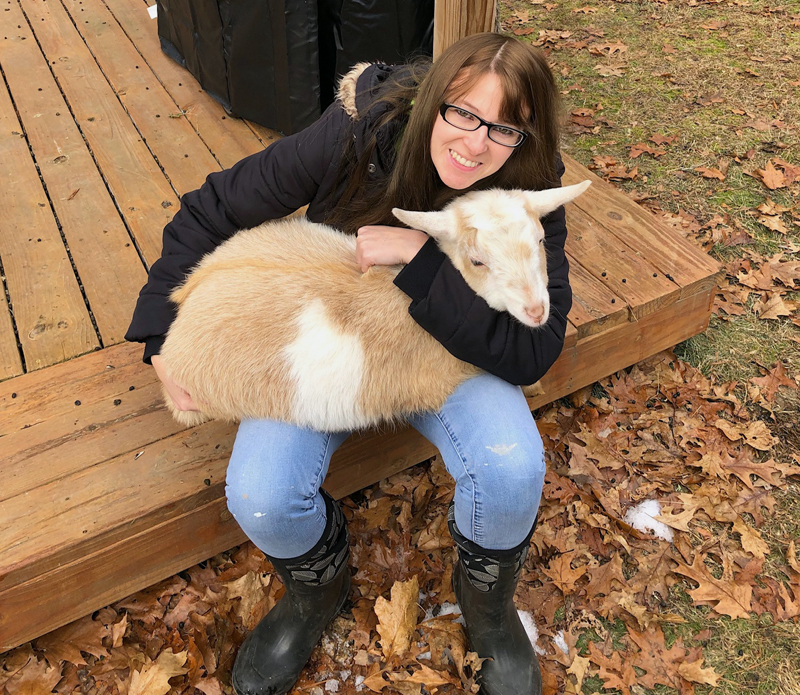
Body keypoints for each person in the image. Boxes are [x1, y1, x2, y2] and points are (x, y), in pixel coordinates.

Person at [126, 32, 570, 695]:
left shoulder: (529, 189)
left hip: (449, 355)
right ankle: (317, 591)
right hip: (338, 345)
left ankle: (489, 613)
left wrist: (421, 256)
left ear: (526, 140)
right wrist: (161, 333)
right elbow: (213, 206)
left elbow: (535, 347)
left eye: (504, 129)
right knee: (262, 492)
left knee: (512, 465)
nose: (477, 143)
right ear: (433, 102)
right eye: (463, 113)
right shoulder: (360, 128)